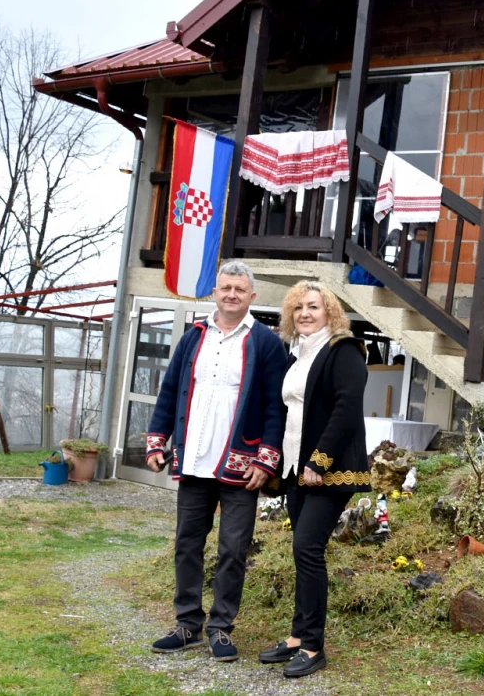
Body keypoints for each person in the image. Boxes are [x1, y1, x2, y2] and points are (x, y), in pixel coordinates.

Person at [145, 260, 287, 662]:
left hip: (241, 464)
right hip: (193, 459)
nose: (231, 295)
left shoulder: (267, 342)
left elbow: (276, 407)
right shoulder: (194, 337)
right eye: (226, 288)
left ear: (252, 296)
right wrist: (158, 442)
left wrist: (267, 458)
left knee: (233, 549)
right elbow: (170, 391)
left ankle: (221, 628)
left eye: (240, 290)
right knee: (187, 544)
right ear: (215, 292)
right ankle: (187, 623)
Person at [258, 280, 370, 678]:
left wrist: (318, 462)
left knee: (308, 548)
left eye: (314, 307)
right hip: (294, 470)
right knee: (300, 551)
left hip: (326, 472)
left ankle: (312, 646)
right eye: (298, 307)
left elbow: (346, 409)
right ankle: (296, 636)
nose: (304, 313)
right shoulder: (298, 355)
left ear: (330, 313)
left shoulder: (343, 350)